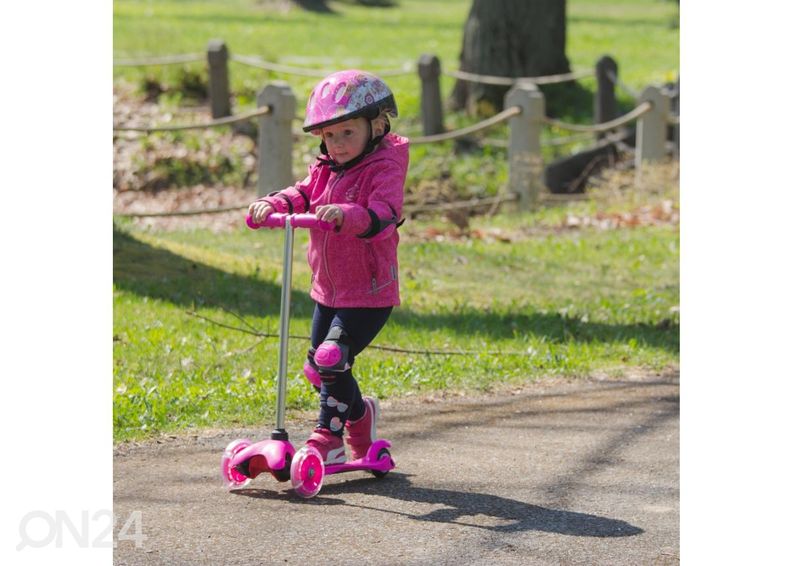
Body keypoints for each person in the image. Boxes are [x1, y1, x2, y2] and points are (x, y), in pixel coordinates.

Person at [248, 70, 408, 465]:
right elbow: (303, 193)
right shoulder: (325, 167)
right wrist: (273, 204)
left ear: (377, 126)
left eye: (347, 132)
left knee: (332, 357)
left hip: (369, 291)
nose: (337, 144)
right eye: (330, 135)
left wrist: (346, 215)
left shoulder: (384, 167)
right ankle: (361, 418)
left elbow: (384, 213)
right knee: (318, 369)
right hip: (328, 291)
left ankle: (329, 438)